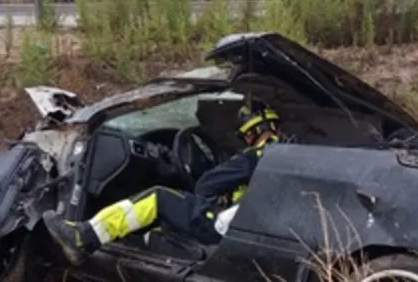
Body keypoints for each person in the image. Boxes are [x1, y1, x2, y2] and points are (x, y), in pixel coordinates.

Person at [42, 100, 285, 266]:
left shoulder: (260, 155)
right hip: (242, 228)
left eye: (247, 136)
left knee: (158, 197)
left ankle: (83, 237)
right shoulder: (286, 158)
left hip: (222, 227)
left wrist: (209, 199)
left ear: (252, 132)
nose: (247, 141)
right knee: (164, 226)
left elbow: (207, 183)